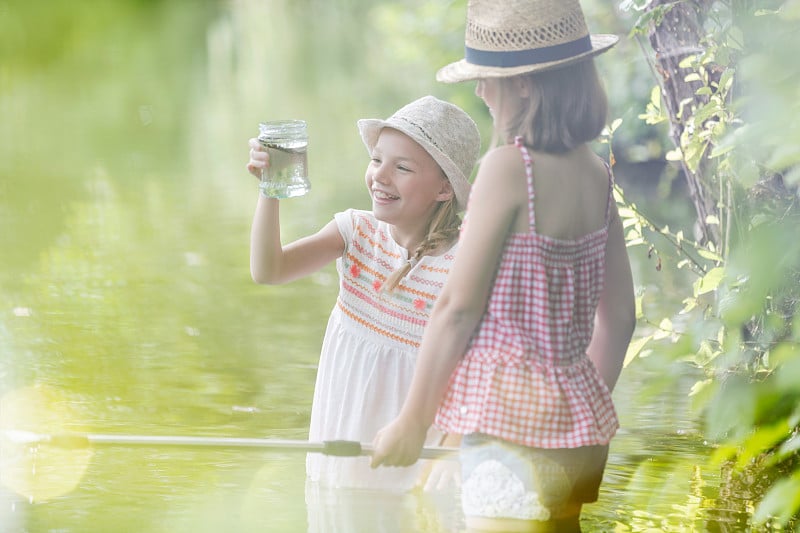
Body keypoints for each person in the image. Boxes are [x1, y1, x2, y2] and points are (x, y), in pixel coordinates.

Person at [370, 1, 636, 531]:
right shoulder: (597, 176)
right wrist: (579, 411)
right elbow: (621, 319)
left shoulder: (508, 169)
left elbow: (457, 309)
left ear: (523, 85)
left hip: (507, 431)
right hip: (579, 427)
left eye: (488, 78)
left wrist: (413, 420)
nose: (480, 91)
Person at [246, 95, 480, 493]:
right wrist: (271, 190)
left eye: (402, 167)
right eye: (376, 160)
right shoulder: (355, 232)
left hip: (414, 460)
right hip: (341, 437)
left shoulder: (464, 263)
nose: (380, 176)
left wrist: (454, 448)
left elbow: (479, 371)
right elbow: (269, 271)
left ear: (444, 189)